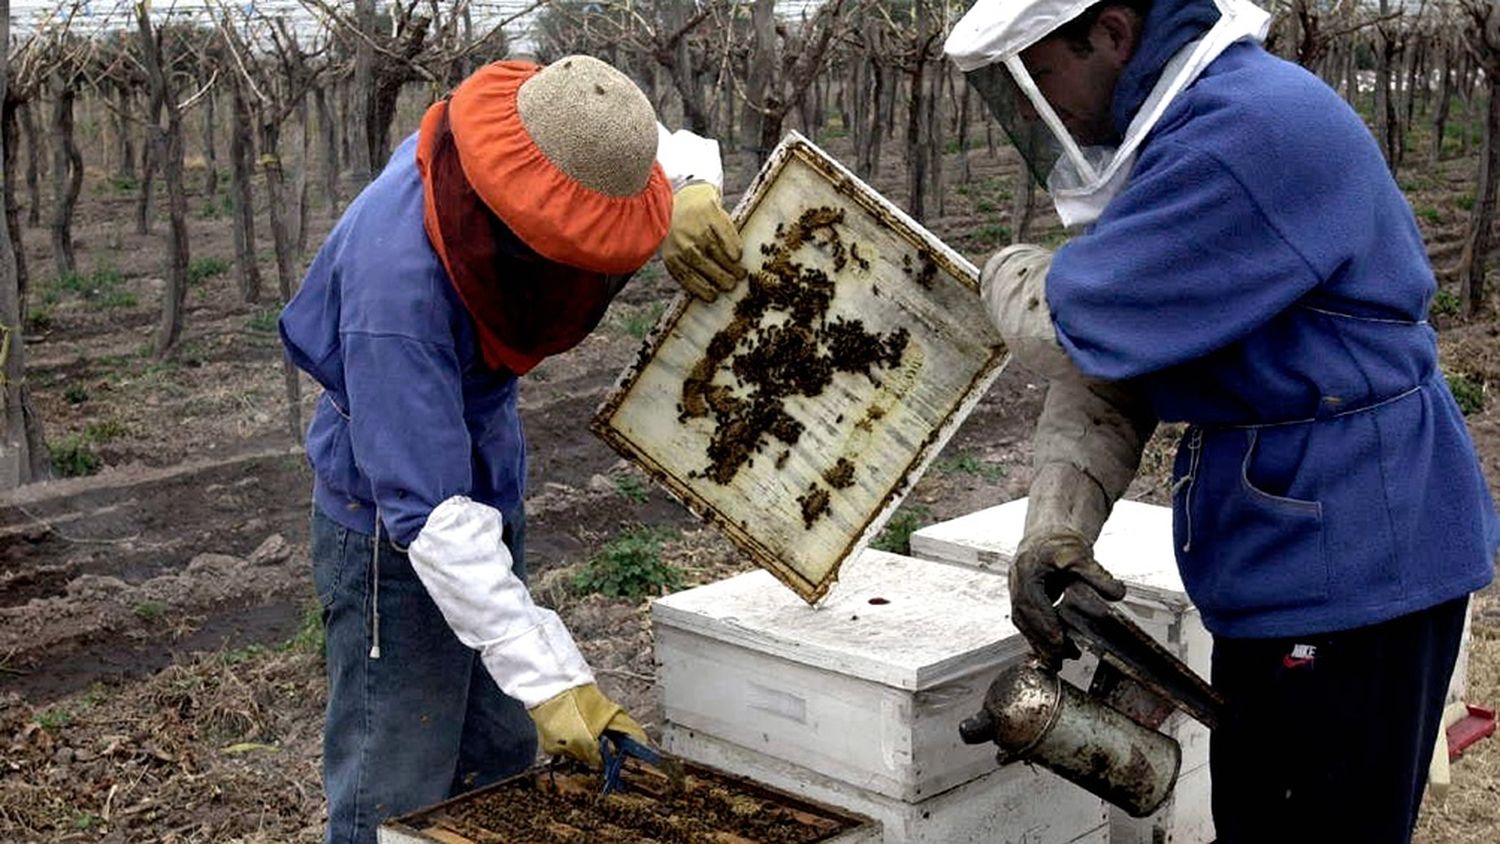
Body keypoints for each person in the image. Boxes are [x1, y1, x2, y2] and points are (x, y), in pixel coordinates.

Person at [945, 1, 1500, 841]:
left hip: (1353, 564)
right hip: (1297, 550)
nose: (1026, 109)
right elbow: (1116, 366)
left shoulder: (1240, 141)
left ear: (1116, 34)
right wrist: (1056, 527)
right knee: (1262, 809)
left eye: (1034, 74)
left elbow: (1064, 324)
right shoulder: (1185, 133)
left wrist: (999, 271)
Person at [278, 55, 746, 843]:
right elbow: (430, 514)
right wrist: (557, 681)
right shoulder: (396, 290)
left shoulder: (542, 116)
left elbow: (627, 144)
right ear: (526, 229)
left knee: (497, 756)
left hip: (482, 467)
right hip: (392, 523)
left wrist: (693, 183)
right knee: (397, 787)